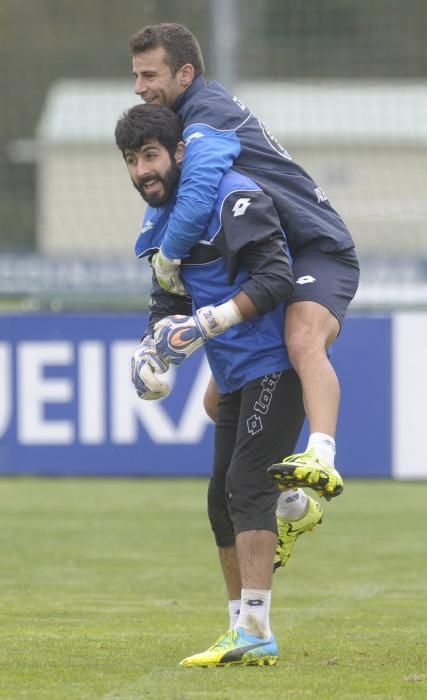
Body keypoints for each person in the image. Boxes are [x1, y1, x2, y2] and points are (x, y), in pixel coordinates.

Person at [115, 103, 324, 667]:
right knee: (220, 501)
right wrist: (151, 352)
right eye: (132, 161)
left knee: (242, 486)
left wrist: (205, 324)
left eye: (150, 156)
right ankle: (241, 624)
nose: (141, 171)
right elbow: (169, 302)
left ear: (179, 153)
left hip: (275, 366)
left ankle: (257, 627)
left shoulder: (233, 196)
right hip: (235, 375)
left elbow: (277, 277)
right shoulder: (162, 221)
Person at [128, 23, 360, 498]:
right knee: (221, 400)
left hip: (318, 247)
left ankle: (321, 457)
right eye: (136, 76)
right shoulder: (188, 120)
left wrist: (169, 258)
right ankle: (291, 498)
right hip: (283, 254)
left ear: (186, 73)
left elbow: (195, 196)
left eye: (150, 75)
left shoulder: (205, 115)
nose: (140, 87)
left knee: (301, 339)